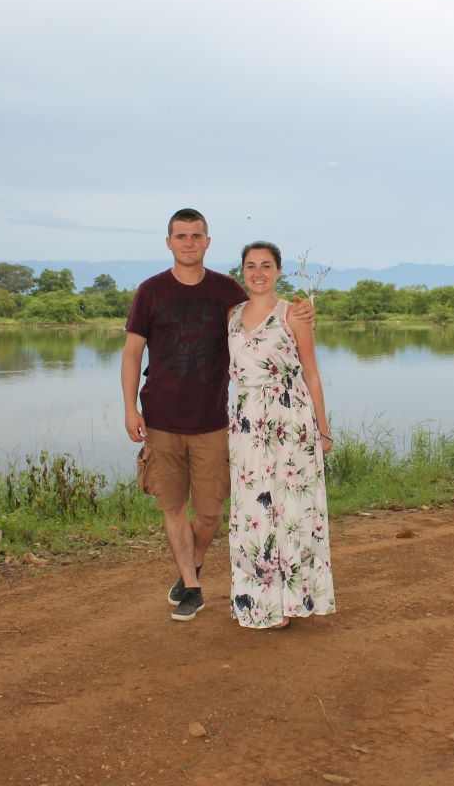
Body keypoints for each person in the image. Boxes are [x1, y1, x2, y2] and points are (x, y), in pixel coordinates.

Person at [122, 209, 313, 622]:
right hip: (159, 418)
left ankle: (193, 562)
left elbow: (267, 318)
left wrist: (303, 312)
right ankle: (191, 586)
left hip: (213, 420)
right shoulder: (150, 291)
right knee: (172, 506)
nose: (188, 242)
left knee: (209, 513)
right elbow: (133, 351)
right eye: (181, 236)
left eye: (196, 236)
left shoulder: (228, 292)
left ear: (207, 242)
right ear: (169, 242)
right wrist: (129, 407)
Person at [226, 241, 335, 629]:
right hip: (246, 426)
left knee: (290, 511)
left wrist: (324, 430)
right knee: (253, 511)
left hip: (289, 423)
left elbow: (312, 373)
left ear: (278, 270)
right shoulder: (232, 315)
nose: (258, 272)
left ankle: (291, 601)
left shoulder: (294, 314)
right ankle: (258, 601)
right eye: (251, 265)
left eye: (266, 265)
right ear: (242, 271)